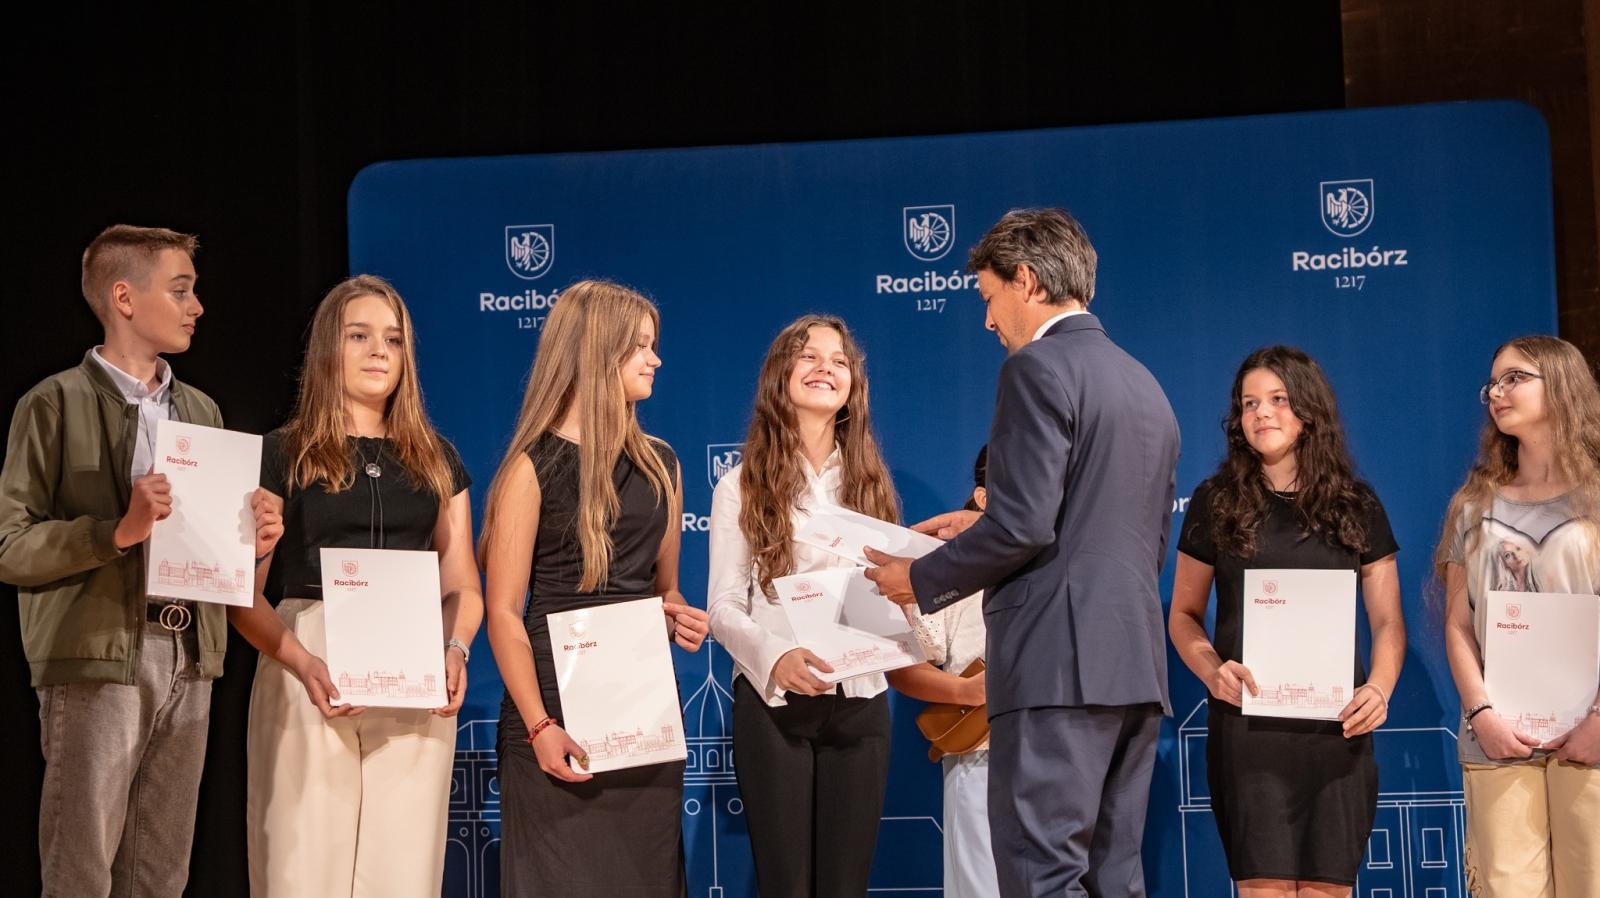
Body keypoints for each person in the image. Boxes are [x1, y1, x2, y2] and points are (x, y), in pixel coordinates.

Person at [864, 207, 1180, 897]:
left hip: (1054, 670)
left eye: (988, 297)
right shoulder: (1147, 386)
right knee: (1113, 879)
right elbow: (1141, 541)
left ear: (1028, 281)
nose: (986, 321)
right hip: (1132, 667)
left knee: (1042, 878)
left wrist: (918, 578)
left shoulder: (1036, 369)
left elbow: (1022, 527)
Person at [0, 225, 282, 897]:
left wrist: (256, 542)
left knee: (159, 874)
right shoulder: (53, 403)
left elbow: (228, 573)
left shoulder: (201, 409)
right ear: (124, 297)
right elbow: (13, 546)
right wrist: (117, 532)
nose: (197, 307)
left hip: (190, 654)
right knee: (82, 869)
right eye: (180, 290)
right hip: (101, 655)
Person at [230, 274, 483, 897]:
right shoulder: (279, 453)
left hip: (414, 668)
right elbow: (242, 597)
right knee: (301, 870)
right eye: (360, 335)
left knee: (403, 875)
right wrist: (302, 660)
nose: (379, 351)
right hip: (305, 661)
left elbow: (464, 586)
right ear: (327, 350)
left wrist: (455, 649)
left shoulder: (438, 459)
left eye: (393, 340)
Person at [481, 279, 709, 896]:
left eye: (653, 345)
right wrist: (538, 726)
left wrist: (678, 614)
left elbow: (667, 592)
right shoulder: (528, 468)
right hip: (555, 717)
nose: (655, 359)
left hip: (640, 714)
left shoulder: (663, 463)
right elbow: (502, 611)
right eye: (640, 346)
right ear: (593, 351)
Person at [1167, 345, 1404, 897]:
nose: (1262, 413)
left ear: (1308, 410)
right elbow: (1183, 615)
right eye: (1249, 403)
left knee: (1328, 890)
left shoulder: (1356, 504)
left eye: (1277, 399)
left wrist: (1381, 688)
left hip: (1338, 728)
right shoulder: (1214, 501)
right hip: (1248, 731)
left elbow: (1389, 621)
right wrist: (1211, 671)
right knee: (1264, 890)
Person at [707, 314, 899, 897]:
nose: (826, 368)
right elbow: (721, 607)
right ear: (780, 375)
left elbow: (887, 597)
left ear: (853, 386)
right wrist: (776, 654)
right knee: (785, 886)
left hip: (861, 702)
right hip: (774, 704)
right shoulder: (740, 484)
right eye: (809, 356)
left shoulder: (872, 484)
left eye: (839, 360)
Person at [1437, 335, 1600, 896]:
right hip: (1498, 734)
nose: (1497, 393)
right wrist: (1481, 712)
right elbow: (1458, 623)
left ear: (1561, 383)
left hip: (1593, 733)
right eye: (1493, 383)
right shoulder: (1474, 504)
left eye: (1515, 378)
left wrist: (1599, 718)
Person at [889, 445, 999, 898]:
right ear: (982, 496)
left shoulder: (1069, 562)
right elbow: (903, 665)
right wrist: (969, 692)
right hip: (981, 752)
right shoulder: (946, 564)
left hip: (1061, 747)